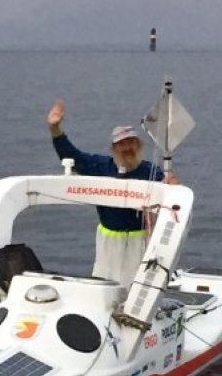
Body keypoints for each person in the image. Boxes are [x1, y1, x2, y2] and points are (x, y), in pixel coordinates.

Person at [47, 98, 179, 288]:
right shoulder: (100, 166)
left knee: (139, 286)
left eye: (131, 142)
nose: (127, 148)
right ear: (113, 148)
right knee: (104, 285)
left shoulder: (151, 171)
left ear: (139, 145)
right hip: (108, 241)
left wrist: (171, 186)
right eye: (121, 144)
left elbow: (166, 194)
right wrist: (55, 130)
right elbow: (71, 156)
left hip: (139, 241)